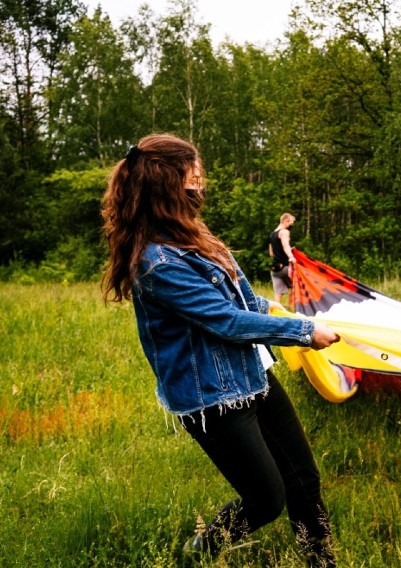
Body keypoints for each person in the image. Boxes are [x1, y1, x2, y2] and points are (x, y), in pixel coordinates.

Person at [100, 133, 339, 567]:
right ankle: (200, 551)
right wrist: (304, 332)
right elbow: (225, 321)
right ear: (168, 184)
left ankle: (321, 561)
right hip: (211, 396)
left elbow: (242, 302)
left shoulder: (196, 236)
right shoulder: (156, 262)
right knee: (266, 499)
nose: (201, 186)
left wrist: (278, 311)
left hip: (251, 376)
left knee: (303, 479)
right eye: (194, 177)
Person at [269, 213, 296, 305]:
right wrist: (291, 256)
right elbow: (285, 245)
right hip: (286, 267)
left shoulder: (272, 235)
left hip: (275, 269)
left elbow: (271, 253)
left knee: (278, 294)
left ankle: (275, 313)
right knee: (295, 287)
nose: (292, 225)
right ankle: (291, 309)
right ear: (286, 221)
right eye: (291, 223)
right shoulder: (284, 232)